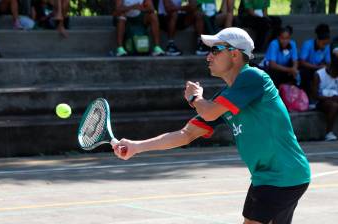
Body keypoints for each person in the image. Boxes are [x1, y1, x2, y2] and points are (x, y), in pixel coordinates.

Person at [113, 27, 311, 224]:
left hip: (278, 176)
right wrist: (136, 146)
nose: (208, 57)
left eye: (215, 50)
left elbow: (207, 111)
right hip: (282, 176)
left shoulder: (253, 77)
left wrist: (194, 98)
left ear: (234, 54)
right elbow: (185, 134)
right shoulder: (224, 100)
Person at [311, 46, 338, 141]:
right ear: (332, 69)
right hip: (321, 102)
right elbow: (314, 96)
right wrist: (329, 98)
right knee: (334, 106)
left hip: (334, 100)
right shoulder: (319, 74)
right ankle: (328, 133)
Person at [299, 23, 331, 98]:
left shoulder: (326, 47)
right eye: (323, 43)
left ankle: (321, 94)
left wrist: (325, 66)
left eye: (326, 43)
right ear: (318, 40)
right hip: (307, 68)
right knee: (305, 72)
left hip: (318, 68)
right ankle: (307, 96)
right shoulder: (308, 44)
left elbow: (328, 62)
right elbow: (302, 62)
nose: (324, 45)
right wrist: (317, 67)